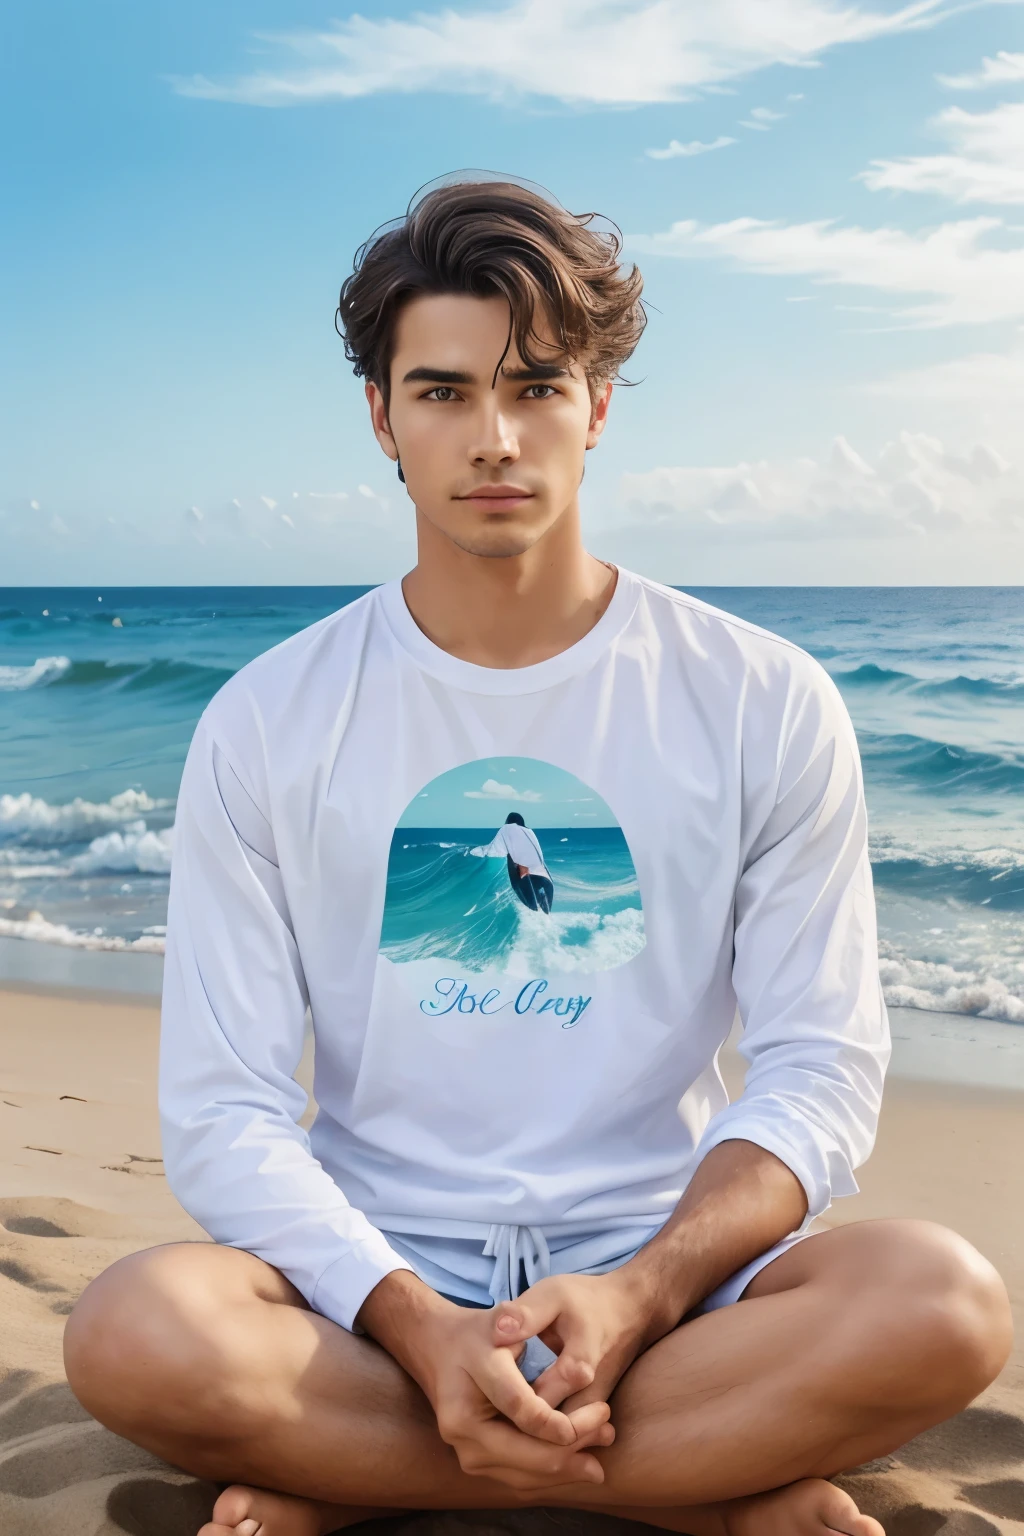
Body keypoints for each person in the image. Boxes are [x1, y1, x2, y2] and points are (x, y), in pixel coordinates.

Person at [63, 177, 1011, 1536]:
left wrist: (643, 1292)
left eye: (538, 386)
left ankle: (379, 1483)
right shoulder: (271, 718)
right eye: (443, 392)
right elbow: (224, 1111)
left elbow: (818, 1069)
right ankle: (692, 1504)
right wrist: (410, 1316)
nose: (494, 437)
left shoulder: (758, 695)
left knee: (944, 1304)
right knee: (135, 1332)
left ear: (599, 407)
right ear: (382, 419)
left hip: (670, 1280)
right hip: (378, 1277)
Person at [471, 810, 554, 913]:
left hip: (527, 876)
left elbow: (495, 850)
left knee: (534, 911)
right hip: (546, 880)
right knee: (545, 914)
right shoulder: (529, 832)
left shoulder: (507, 828)